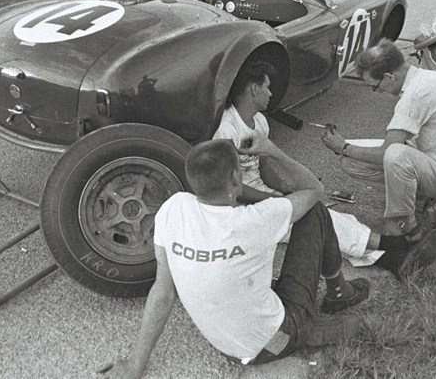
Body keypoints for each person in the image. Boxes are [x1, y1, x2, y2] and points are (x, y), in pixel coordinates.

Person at [101, 139, 371, 378]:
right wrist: (271, 150)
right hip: (274, 342)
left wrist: (135, 365)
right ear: (234, 178)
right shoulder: (256, 220)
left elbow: (162, 291)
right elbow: (314, 190)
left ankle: (302, 319)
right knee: (316, 213)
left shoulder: (174, 208)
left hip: (225, 346)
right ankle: (335, 296)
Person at [212, 60, 436, 275]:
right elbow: (230, 188)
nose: (271, 93)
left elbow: (263, 169)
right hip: (240, 207)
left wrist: (286, 190)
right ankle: (395, 246)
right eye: (267, 87)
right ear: (254, 89)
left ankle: (391, 259)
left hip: (264, 197)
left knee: (325, 217)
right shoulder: (225, 129)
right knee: (310, 222)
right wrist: (276, 200)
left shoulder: (260, 122)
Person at [321, 39, 436, 240]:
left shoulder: (415, 94)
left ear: (389, 76)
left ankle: (406, 226)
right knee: (351, 161)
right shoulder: (424, 78)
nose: (378, 92)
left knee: (395, 155)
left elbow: (388, 152)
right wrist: (346, 149)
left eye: (375, 87)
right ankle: (415, 200)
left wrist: (343, 146)